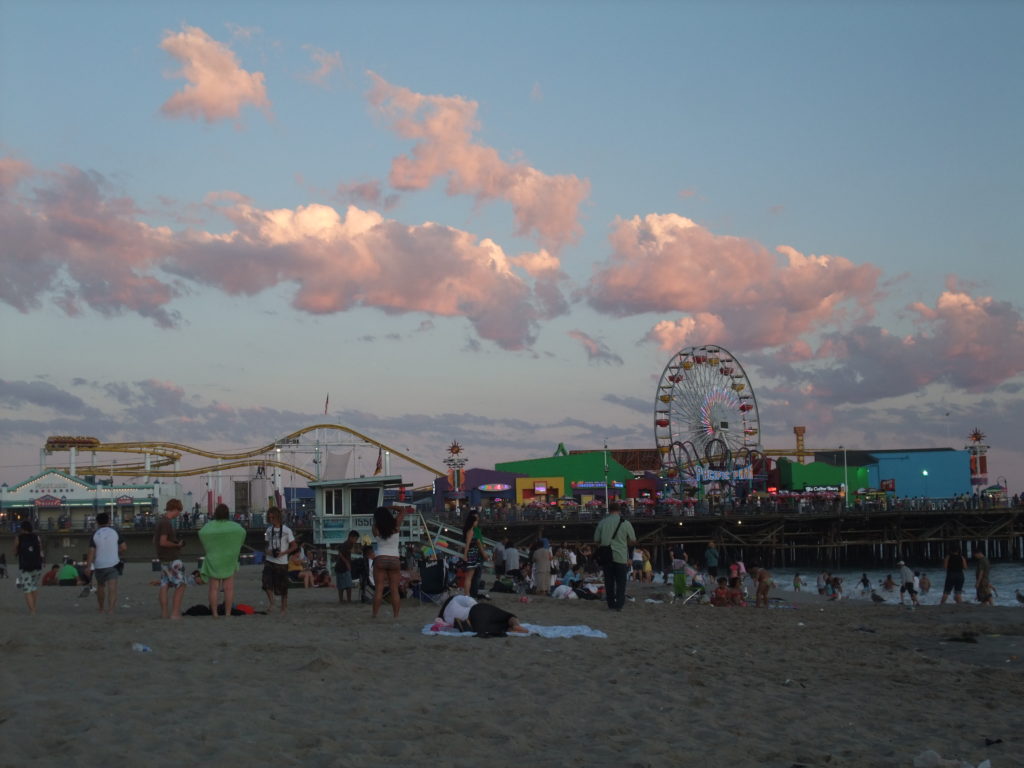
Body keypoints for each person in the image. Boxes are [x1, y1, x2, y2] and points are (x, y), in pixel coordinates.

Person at [198, 503, 247, 618]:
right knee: (228, 588)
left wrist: (209, 549)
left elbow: (201, 534)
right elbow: (243, 534)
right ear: (227, 514)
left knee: (213, 588)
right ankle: (228, 613)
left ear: (215, 514)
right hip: (229, 559)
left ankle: (215, 613)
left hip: (214, 559)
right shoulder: (235, 527)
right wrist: (235, 547)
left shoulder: (209, 526)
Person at [593, 502, 637, 611]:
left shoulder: (602, 522)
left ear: (609, 510)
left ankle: (611, 604)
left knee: (609, 582)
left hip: (607, 557)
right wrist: (624, 543)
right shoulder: (625, 523)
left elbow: (596, 540)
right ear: (619, 510)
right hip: (621, 556)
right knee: (621, 583)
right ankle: (619, 605)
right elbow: (633, 540)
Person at [84, 511, 126, 614]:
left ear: (97, 522)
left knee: (101, 587)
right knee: (112, 588)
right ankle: (111, 609)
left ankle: (101, 608)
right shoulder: (115, 532)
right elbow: (124, 547)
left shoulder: (95, 534)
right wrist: (115, 552)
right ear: (109, 521)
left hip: (99, 565)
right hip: (113, 564)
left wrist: (88, 566)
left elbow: (91, 551)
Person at [372, 506, 409, 618]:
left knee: (379, 589)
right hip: (394, 559)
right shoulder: (396, 524)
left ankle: (374, 614)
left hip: (380, 558)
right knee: (394, 590)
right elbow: (403, 510)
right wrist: (388, 507)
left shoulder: (375, 527)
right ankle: (396, 615)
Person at [154, 499, 188, 619]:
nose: (179, 514)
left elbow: (159, 541)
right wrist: (177, 545)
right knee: (181, 585)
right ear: (175, 509)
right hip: (172, 559)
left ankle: (164, 613)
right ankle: (175, 613)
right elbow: (163, 542)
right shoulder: (166, 523)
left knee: (165, 585)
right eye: (179, 511)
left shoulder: (160, 521)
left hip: (163, 559)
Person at [437, 594, 529, 636]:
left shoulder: (444, 617)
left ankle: (510, 629)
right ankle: (516, 625)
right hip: (476, 611)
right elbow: (471, 602)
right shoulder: (455, 599)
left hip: (475, 626)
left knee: (497, 627)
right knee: (508, 616)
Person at [262, 506, 297, 614]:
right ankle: (272, 602)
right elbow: (266, 545)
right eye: (269, 518)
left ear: (277, 517)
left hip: (282, 562)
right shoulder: (268, 530)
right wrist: (267, 551)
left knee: (283, 587)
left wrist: (283, 552)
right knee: (265, 582)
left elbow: (294, 546)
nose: (270, 519)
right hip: (269, 560)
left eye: (272, 518)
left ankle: (283, 608)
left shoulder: (287, 530)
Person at [15, 521, 44, 615]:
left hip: (25, 566)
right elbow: (40, 550)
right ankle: (34, 607)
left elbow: (15, 551)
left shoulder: (19, 538)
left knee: (27, 589)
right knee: (34, 587)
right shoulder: (37, 537)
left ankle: (32, 610)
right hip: (37, 566)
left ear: (22, 529)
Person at [460, 509, 487, 599]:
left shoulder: (469, 530)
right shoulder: (471, 531)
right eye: (476, 520)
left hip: (472, 555)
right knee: (469, 577)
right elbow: (467, 544)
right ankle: (467, 595)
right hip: (471, 556)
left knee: (469, 577)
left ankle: (467, 595)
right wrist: (465, 556)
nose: (477, 522)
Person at [334, 530, 360, 604]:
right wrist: (347, 563)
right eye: (355, 539)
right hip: (341, 566)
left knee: (343, 584)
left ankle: (343, 600)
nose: (356, 541)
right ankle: (346, 600)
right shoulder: (347, 544)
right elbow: (340, 554)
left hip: (341, 566)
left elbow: (339, 549)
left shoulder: (349, 544)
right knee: (347, 585)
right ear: (351, 537)